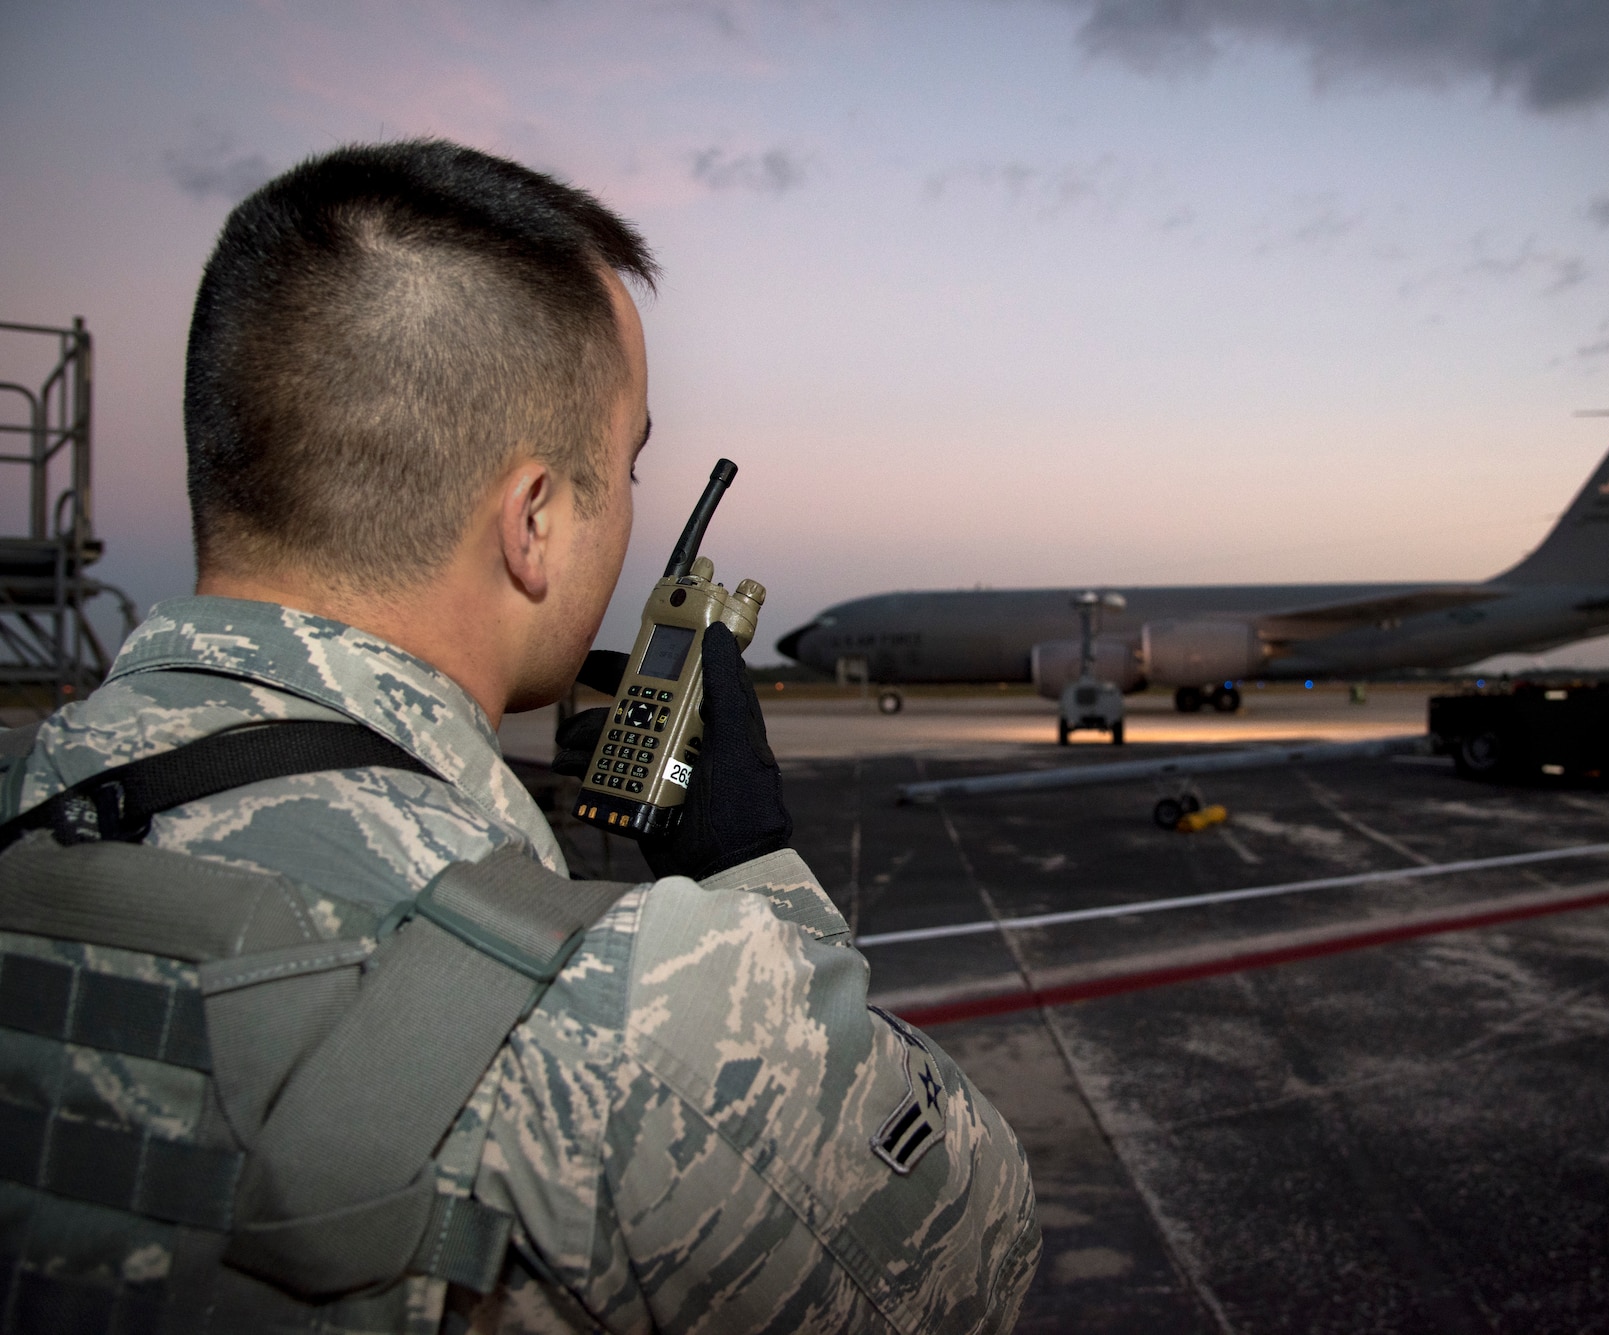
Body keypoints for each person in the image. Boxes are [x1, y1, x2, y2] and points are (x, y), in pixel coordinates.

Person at [0, 139, 1039, 1332]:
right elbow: (973, 1258)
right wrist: (748, 877)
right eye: (632, 461)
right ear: (534, 519)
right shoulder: (631, 1021)